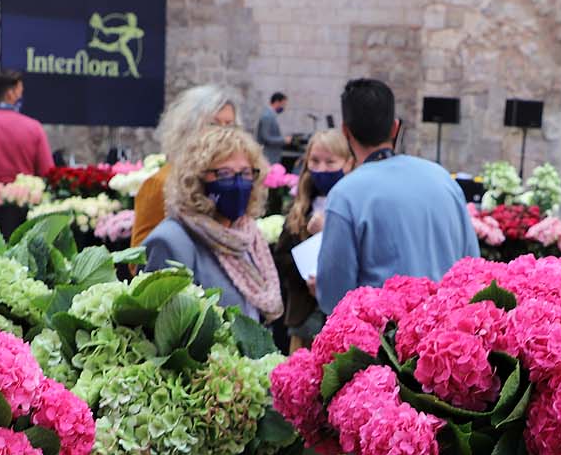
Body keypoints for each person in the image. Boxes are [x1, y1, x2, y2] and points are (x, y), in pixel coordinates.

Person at [316, 78, 479, 312]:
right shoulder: (443, 178)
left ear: (345, 131)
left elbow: (334, 297)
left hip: (387, 342)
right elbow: (473, 268)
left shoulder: (345, 195)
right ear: (395, 128)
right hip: (449, 334)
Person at [142, 124, 283, 322]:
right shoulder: (171, 241)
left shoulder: (247, 235)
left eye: (245, 173)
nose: (237, 183)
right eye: (224, 174)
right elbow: (158, 327)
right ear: (196, 178)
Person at [130, 84, 240, 247]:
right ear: (189, 128)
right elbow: (139, 259)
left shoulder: (232, 182)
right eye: (214, 124)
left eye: (229, 125)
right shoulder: (160, 183)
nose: (223, 133)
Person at [273, 128, 352, 344]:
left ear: (347, 164)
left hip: (342, 319)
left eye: (330, 162)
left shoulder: (353, 205)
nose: (321, 169)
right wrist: (306, 275)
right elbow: (281, 258)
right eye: (315, 161)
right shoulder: (300, 206)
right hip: (304, 318)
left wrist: (326, 235)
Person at [256, 91, 287, 165]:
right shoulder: (267, 116)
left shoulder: (271, 115)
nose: (284, 107)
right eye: (283, 104)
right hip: (268, 156)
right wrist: (284, 140)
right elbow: (266, 137)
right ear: (276, 102)